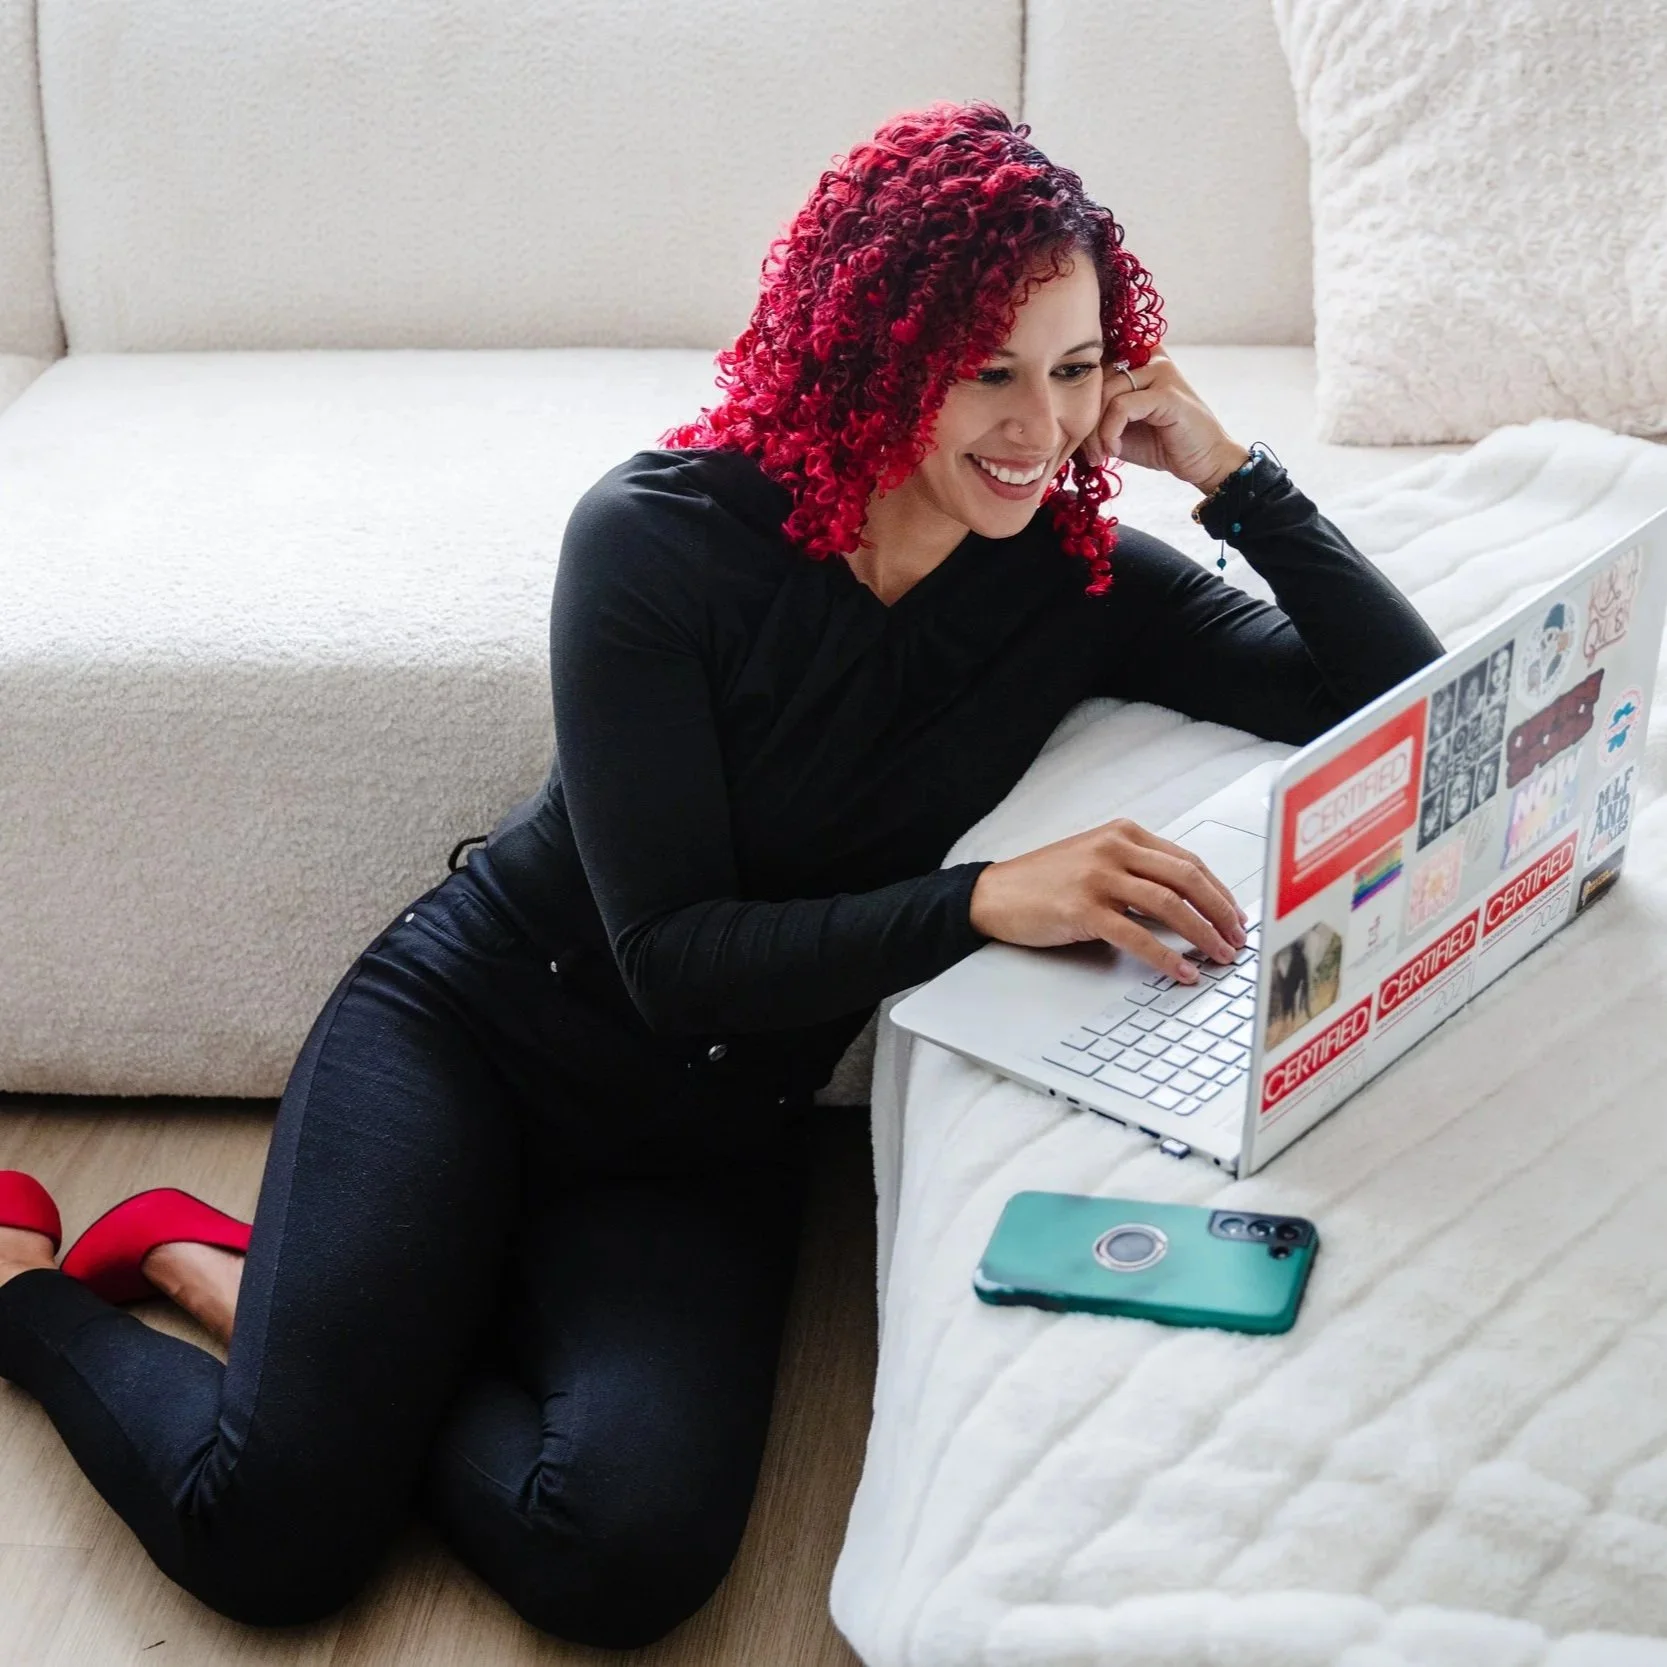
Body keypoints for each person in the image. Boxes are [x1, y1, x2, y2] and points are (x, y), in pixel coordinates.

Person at [0, 100, 1444, 1646]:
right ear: (879, 350)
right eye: (988, 370)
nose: (1039, 427)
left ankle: (265, 1300)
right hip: (480, 1034)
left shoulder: (1076, 581)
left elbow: (1406, 709)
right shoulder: (657, 538)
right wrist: (979, 900)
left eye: (1077, 368)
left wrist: (1229, 471)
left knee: (621, 1560)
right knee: (271, 1539)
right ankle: (34, 1285)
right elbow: (673, 956)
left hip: (702, 1136)